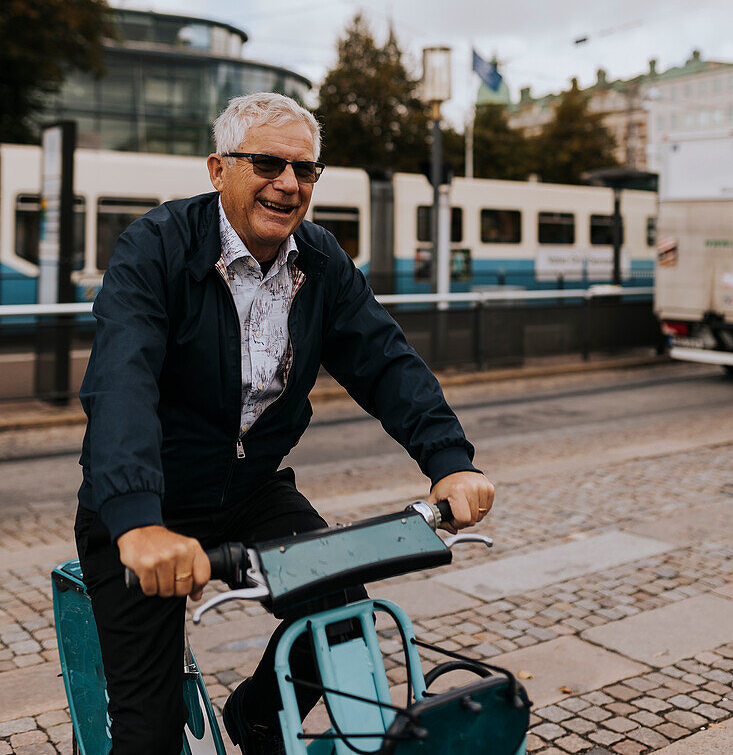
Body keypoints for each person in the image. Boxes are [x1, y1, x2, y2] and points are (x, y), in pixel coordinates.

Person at [75, 92, 494, 754]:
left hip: (251, 491)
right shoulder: (156, 245)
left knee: (342, 615)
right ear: (218, 170)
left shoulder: (320, 261)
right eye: (267, 163)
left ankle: (260, 718)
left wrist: (449, 460)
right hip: (147, 504)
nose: (289, 183)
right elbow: (119, 379)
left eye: (305, 170)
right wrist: (137, 521)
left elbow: (384, 361)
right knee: (146, 730)